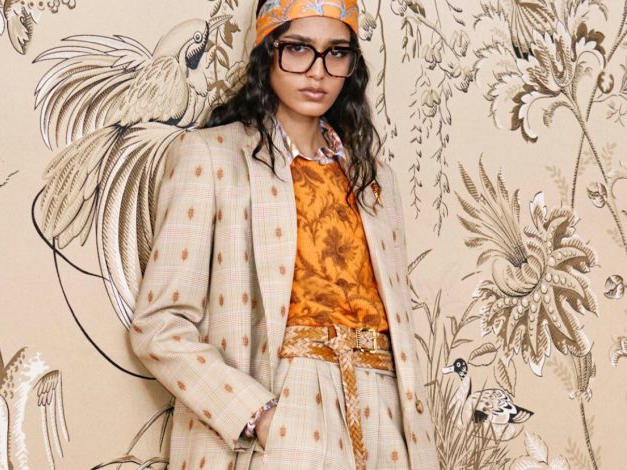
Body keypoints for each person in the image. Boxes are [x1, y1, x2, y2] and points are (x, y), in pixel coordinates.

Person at [129, 1, 439, 468]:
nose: (318, 71)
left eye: (337, 52)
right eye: (297, 49)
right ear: (266, 51)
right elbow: (159, 325)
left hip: (385, 420)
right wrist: (259, 415)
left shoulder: (376, 180)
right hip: (285, 412)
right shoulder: (211, 156)